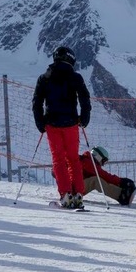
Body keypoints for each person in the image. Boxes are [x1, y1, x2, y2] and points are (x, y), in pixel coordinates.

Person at [32, 46, 91, 209]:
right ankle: (78, 194)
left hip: (52, 124)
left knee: (58, 160)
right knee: (73, 159)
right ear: (71, 58)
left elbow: (37, 102)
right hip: (71, 123)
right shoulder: (75, 77)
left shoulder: (44, 77)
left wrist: (40, 123)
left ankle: (65, 195)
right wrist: (84, 118)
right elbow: (85, 98)